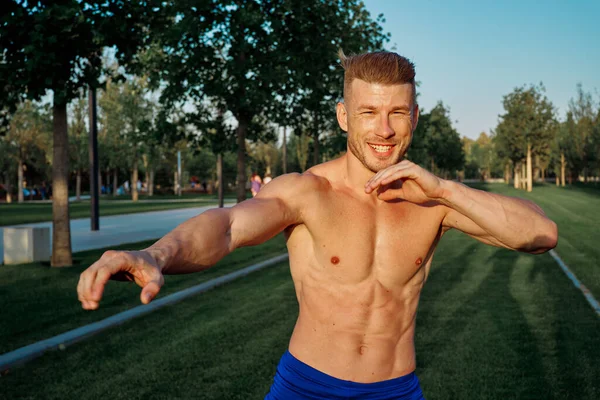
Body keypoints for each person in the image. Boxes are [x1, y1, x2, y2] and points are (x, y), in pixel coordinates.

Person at [77, 50, 557, 399]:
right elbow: (225, 227)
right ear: (344, 116)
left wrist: (447, 190)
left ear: (414, 117)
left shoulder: (434, 199)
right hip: (307, 387)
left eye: (396, 113)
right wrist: (155, 255)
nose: (384, 130)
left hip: (397, 389)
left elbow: (540, 234)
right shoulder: (307, 192)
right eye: (368, 113)